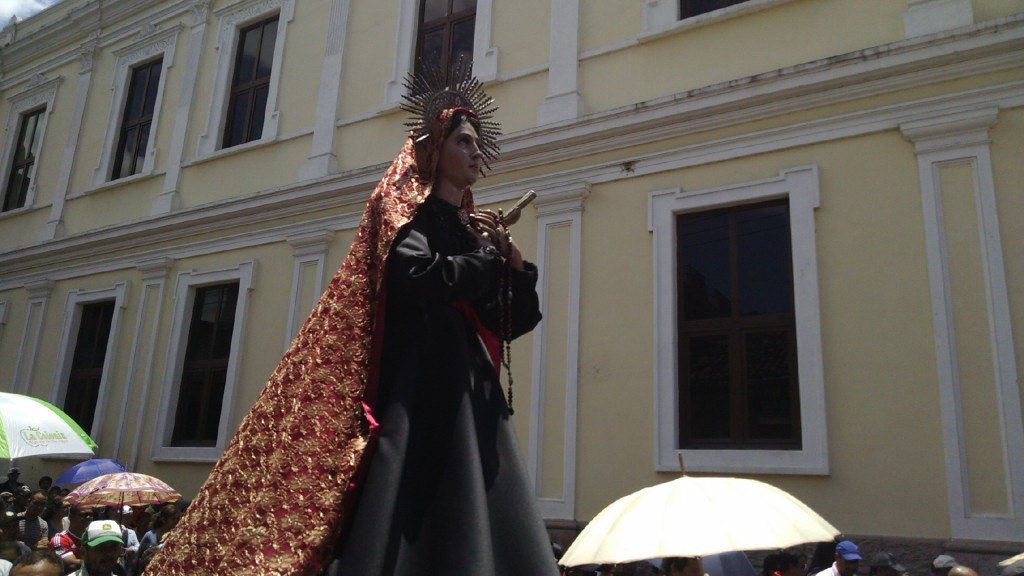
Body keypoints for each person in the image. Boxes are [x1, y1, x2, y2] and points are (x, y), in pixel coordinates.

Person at [143, 63, 555, 576]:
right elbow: (417, 275)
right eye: (464, 142)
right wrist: (487, 262)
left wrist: (516, 267)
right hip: (420, 384)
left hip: (468, 390)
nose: (476, 153)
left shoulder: (472, 232)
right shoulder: (409, 215)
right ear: (433, 149)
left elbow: (510, 321)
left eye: (476, 144)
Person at [48, 505, 93, 574]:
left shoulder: (93, 538)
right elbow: (71, 564)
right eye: (83, 515)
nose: (88, 517)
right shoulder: (59, 540)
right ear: (71, 517)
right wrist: (97, 561)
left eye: (90, 514)